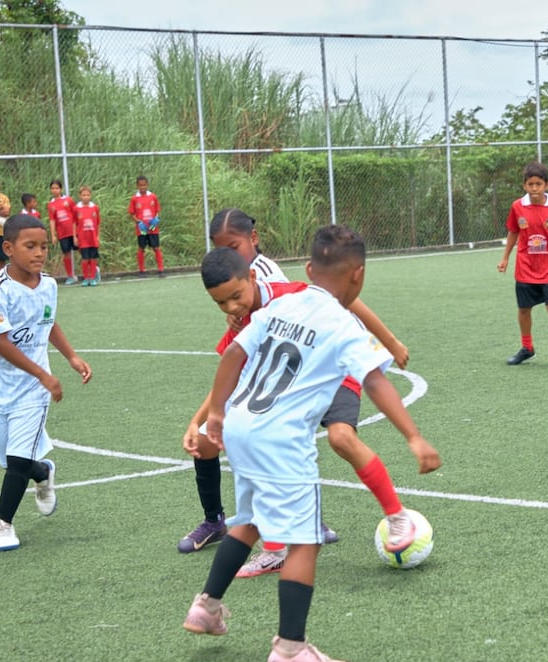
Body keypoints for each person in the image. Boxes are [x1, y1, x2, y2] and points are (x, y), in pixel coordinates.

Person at [182, 232, 441, 662]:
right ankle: (290, 651)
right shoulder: (343, 326)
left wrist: (217, 416)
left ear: (307, 271)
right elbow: (377, 383)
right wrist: (415, 438)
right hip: (280, 440)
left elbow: (233, 358)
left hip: (242, 424)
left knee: (251, 519)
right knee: (304, 542)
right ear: (358, 275)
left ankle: (206, 606)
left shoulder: (281, 306)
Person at [180, 209, 420, 585]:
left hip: (334, 364)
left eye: (234, 247)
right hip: (295, 381)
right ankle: (252, 537)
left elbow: (344, 300)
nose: (231, 255)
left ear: (252, 250)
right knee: (245, 440)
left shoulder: (276, 287)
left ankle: (395, 514)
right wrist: (201, 421)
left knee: (340, 437)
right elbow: (232, 370)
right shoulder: (241, 306)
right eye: (221, 249)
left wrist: (389, 340)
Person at [0, 214, 92, 550]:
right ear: (9, 248)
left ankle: (3, 524)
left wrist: (69, 357)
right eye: (30, 246)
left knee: (14, 463)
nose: (39, 253)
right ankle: (42, 472)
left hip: (32, 389)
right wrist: (44, 374)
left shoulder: (49, 285)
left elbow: (48, 322)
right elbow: (0, 341)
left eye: (44, 246)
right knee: (15, 461)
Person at [497, 161, 548, 368]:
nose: (534, 188)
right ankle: (527, 348)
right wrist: (505, 257)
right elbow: (513, 232)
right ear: (525, 186)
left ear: (547, 185)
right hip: (525, 267)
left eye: (538, 184)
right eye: (530, 184)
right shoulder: (517, 207)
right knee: (524, 309)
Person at [128, 175, 165, 277]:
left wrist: (156, 219)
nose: (142, 187)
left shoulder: (153, 197)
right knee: (141, 248)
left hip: (152, 227)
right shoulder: (134, 199)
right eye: (140, 185)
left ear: (147, 185)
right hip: (142, 228)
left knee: (156, 247)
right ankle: (142, 271)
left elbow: (157, 211)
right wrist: (138, 222)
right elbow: (131, 213)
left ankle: (161, 270)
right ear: (137, 186)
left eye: (144, 185)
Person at [46, 179, 78, 285]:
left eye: (57, 188)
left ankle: (91, 272)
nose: (55, 190)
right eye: (53, 188)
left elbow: (76, 214)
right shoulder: (51, 205)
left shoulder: (68, 200)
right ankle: (70, 276)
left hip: (73, 231)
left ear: (61, 189)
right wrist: (53, 235)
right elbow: (52, 220)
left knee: (82, 250)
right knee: (66, 253)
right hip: (62, 233)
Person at [73, 185, 101, 287]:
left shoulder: (95, 208)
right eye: (83, 195)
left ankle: (92, 277)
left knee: (92, 258)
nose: (86, 197)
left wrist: (98, 236)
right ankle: (86, 278)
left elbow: (98, 223)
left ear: (91, 195)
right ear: (80, 196)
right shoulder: (76, 208)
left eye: (88, 195)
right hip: (83, 238)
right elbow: (74, 223)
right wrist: (75, 237)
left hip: (92, 238)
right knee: (85, 259)